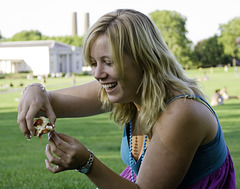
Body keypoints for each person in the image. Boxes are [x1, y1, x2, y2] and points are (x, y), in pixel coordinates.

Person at [17, 9, 236, 189]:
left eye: (108, 62)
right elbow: (46, 102)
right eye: (94, 63)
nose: (98, 74)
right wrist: (33, 89)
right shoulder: (125, 86)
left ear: (143, 59)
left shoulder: (182, 112)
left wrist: (87, 164)